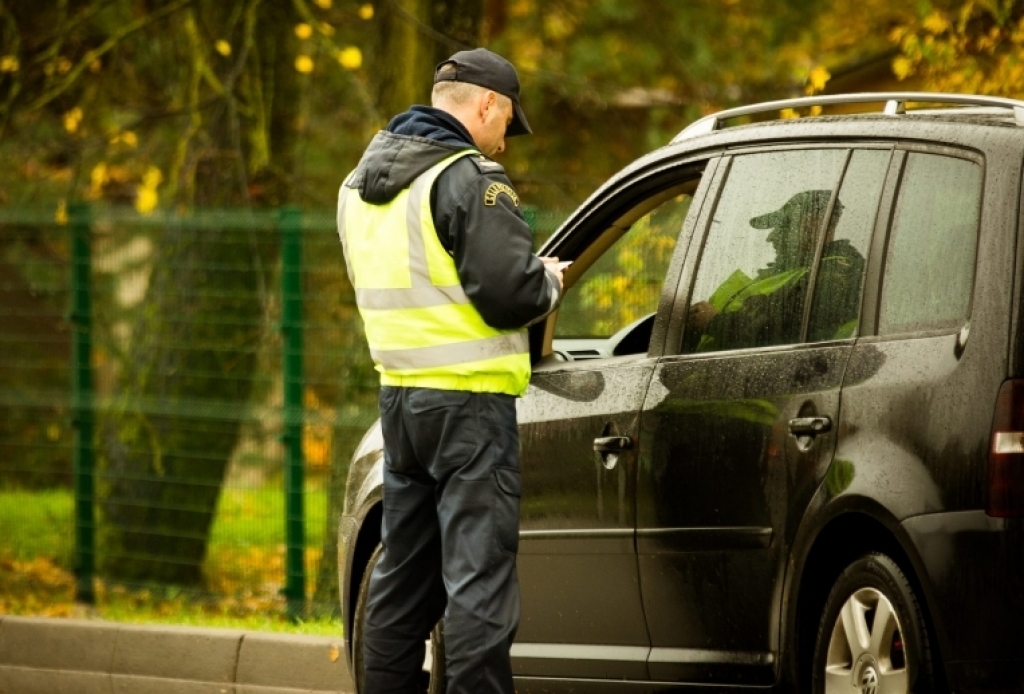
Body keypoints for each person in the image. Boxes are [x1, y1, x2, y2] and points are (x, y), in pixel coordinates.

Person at [336, 48, 564, 694]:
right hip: (470, 411)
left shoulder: (359, 185)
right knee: (478, 589)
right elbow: (510, 294)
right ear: (487, 104)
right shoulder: (467, 179)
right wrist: (547, 282)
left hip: (401, 407)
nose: (504, 144)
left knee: (401, 584)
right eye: (506, 125)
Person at [686, 189, 864, 352]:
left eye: (783, 226)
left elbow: (783, 332)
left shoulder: (836, 276)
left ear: (814, 225)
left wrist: (716, 323)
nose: (771, 237)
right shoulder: (794, 273)